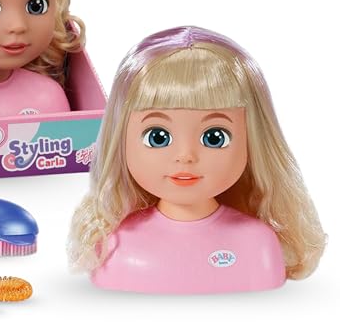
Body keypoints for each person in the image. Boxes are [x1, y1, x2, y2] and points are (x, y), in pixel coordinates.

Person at [68, 26, 325, 293]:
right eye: (158, 137)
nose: (185, 156)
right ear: (120, 139)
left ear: (253, 141)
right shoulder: (114, 245)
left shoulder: (258, 244)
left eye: (214, 137)